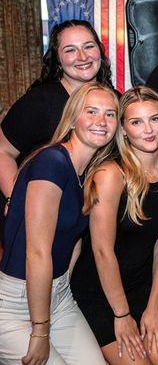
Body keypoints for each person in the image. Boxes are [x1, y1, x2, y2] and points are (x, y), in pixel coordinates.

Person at [0, 82, 118, 364]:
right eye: (91, 112)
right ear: (73, 117)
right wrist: (40, 332)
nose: (101, 121)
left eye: (110, 114)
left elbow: (73, 240)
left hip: (59, 295)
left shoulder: (87, 173)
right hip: (16, 303)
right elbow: (37, 251)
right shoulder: (51, 161)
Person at [70, 86, 158, 365]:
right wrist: (122, 316)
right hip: (100, 292)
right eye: (136, 122)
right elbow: (102, 252)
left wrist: (154, 305)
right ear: (123, 129)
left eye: (155, 119)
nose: (148, 129)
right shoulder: (110, 175)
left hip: (142, 286)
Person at [0, 19, 112, 206]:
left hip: (87, 212)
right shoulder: (39, 102)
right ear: (58, 60)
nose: (82, 57)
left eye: (89, 46)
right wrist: (17, 201)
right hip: (40, 211)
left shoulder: (113, 100)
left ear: (100, 51)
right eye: (70, 50)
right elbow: (2, 151)